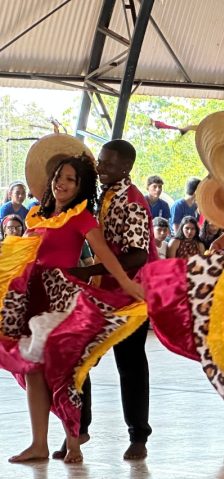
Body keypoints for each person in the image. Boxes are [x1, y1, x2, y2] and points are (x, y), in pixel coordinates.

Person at [2, 154, 144, 464]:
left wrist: (127, 284)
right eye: (58, 177)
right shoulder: (34, 216)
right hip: (32, 296)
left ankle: (74, 443)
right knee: (34, 371)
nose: (61, 183)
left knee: (65, 372)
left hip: (62, 299)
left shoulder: (81, 217)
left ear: (79, 187)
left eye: (70, 179)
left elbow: (104, 253)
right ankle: (38, 444)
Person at [67, 140, 155, 461]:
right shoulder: (105, 195)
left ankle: (138, 436)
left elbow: (137, 256)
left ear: (125, 168)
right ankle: (80, 428)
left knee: (129, 365)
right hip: (104, 291)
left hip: (131, 294)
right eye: (100, 162)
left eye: (107, 164)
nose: (101, 168)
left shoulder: (132, 202)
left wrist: (89, 267)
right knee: (81, 358)